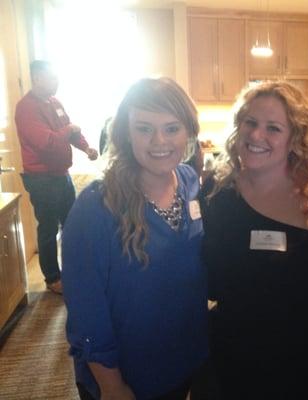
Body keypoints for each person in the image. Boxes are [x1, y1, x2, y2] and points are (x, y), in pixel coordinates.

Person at [61, 78, 208, 400]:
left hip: (183, 362)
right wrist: (112, 386)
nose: (159, 141)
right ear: (126, 133)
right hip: (124, 376)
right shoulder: (96, 206)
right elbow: (86, 309)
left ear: (188, 132)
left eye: (172, 128)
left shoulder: (188, 182)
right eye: (144, 128)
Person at [201, 81, 308, 399]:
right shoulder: (214, 190)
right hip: (232, 355)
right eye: (250, 122)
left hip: (302, 359)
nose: (256, 136)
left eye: (273, 128)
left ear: (295, 139)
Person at [14, 60, 98, 294]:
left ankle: (73, 270)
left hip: (62, 175)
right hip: (41, 179)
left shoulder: (55, 103)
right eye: (51, 78)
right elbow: (47, 142)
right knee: (49, 229)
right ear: (37, 78)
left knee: (72, 225)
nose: (56, 82)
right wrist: (69, 130)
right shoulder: (26, 108)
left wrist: (86, 148)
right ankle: (52, 278)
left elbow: (71, 130)